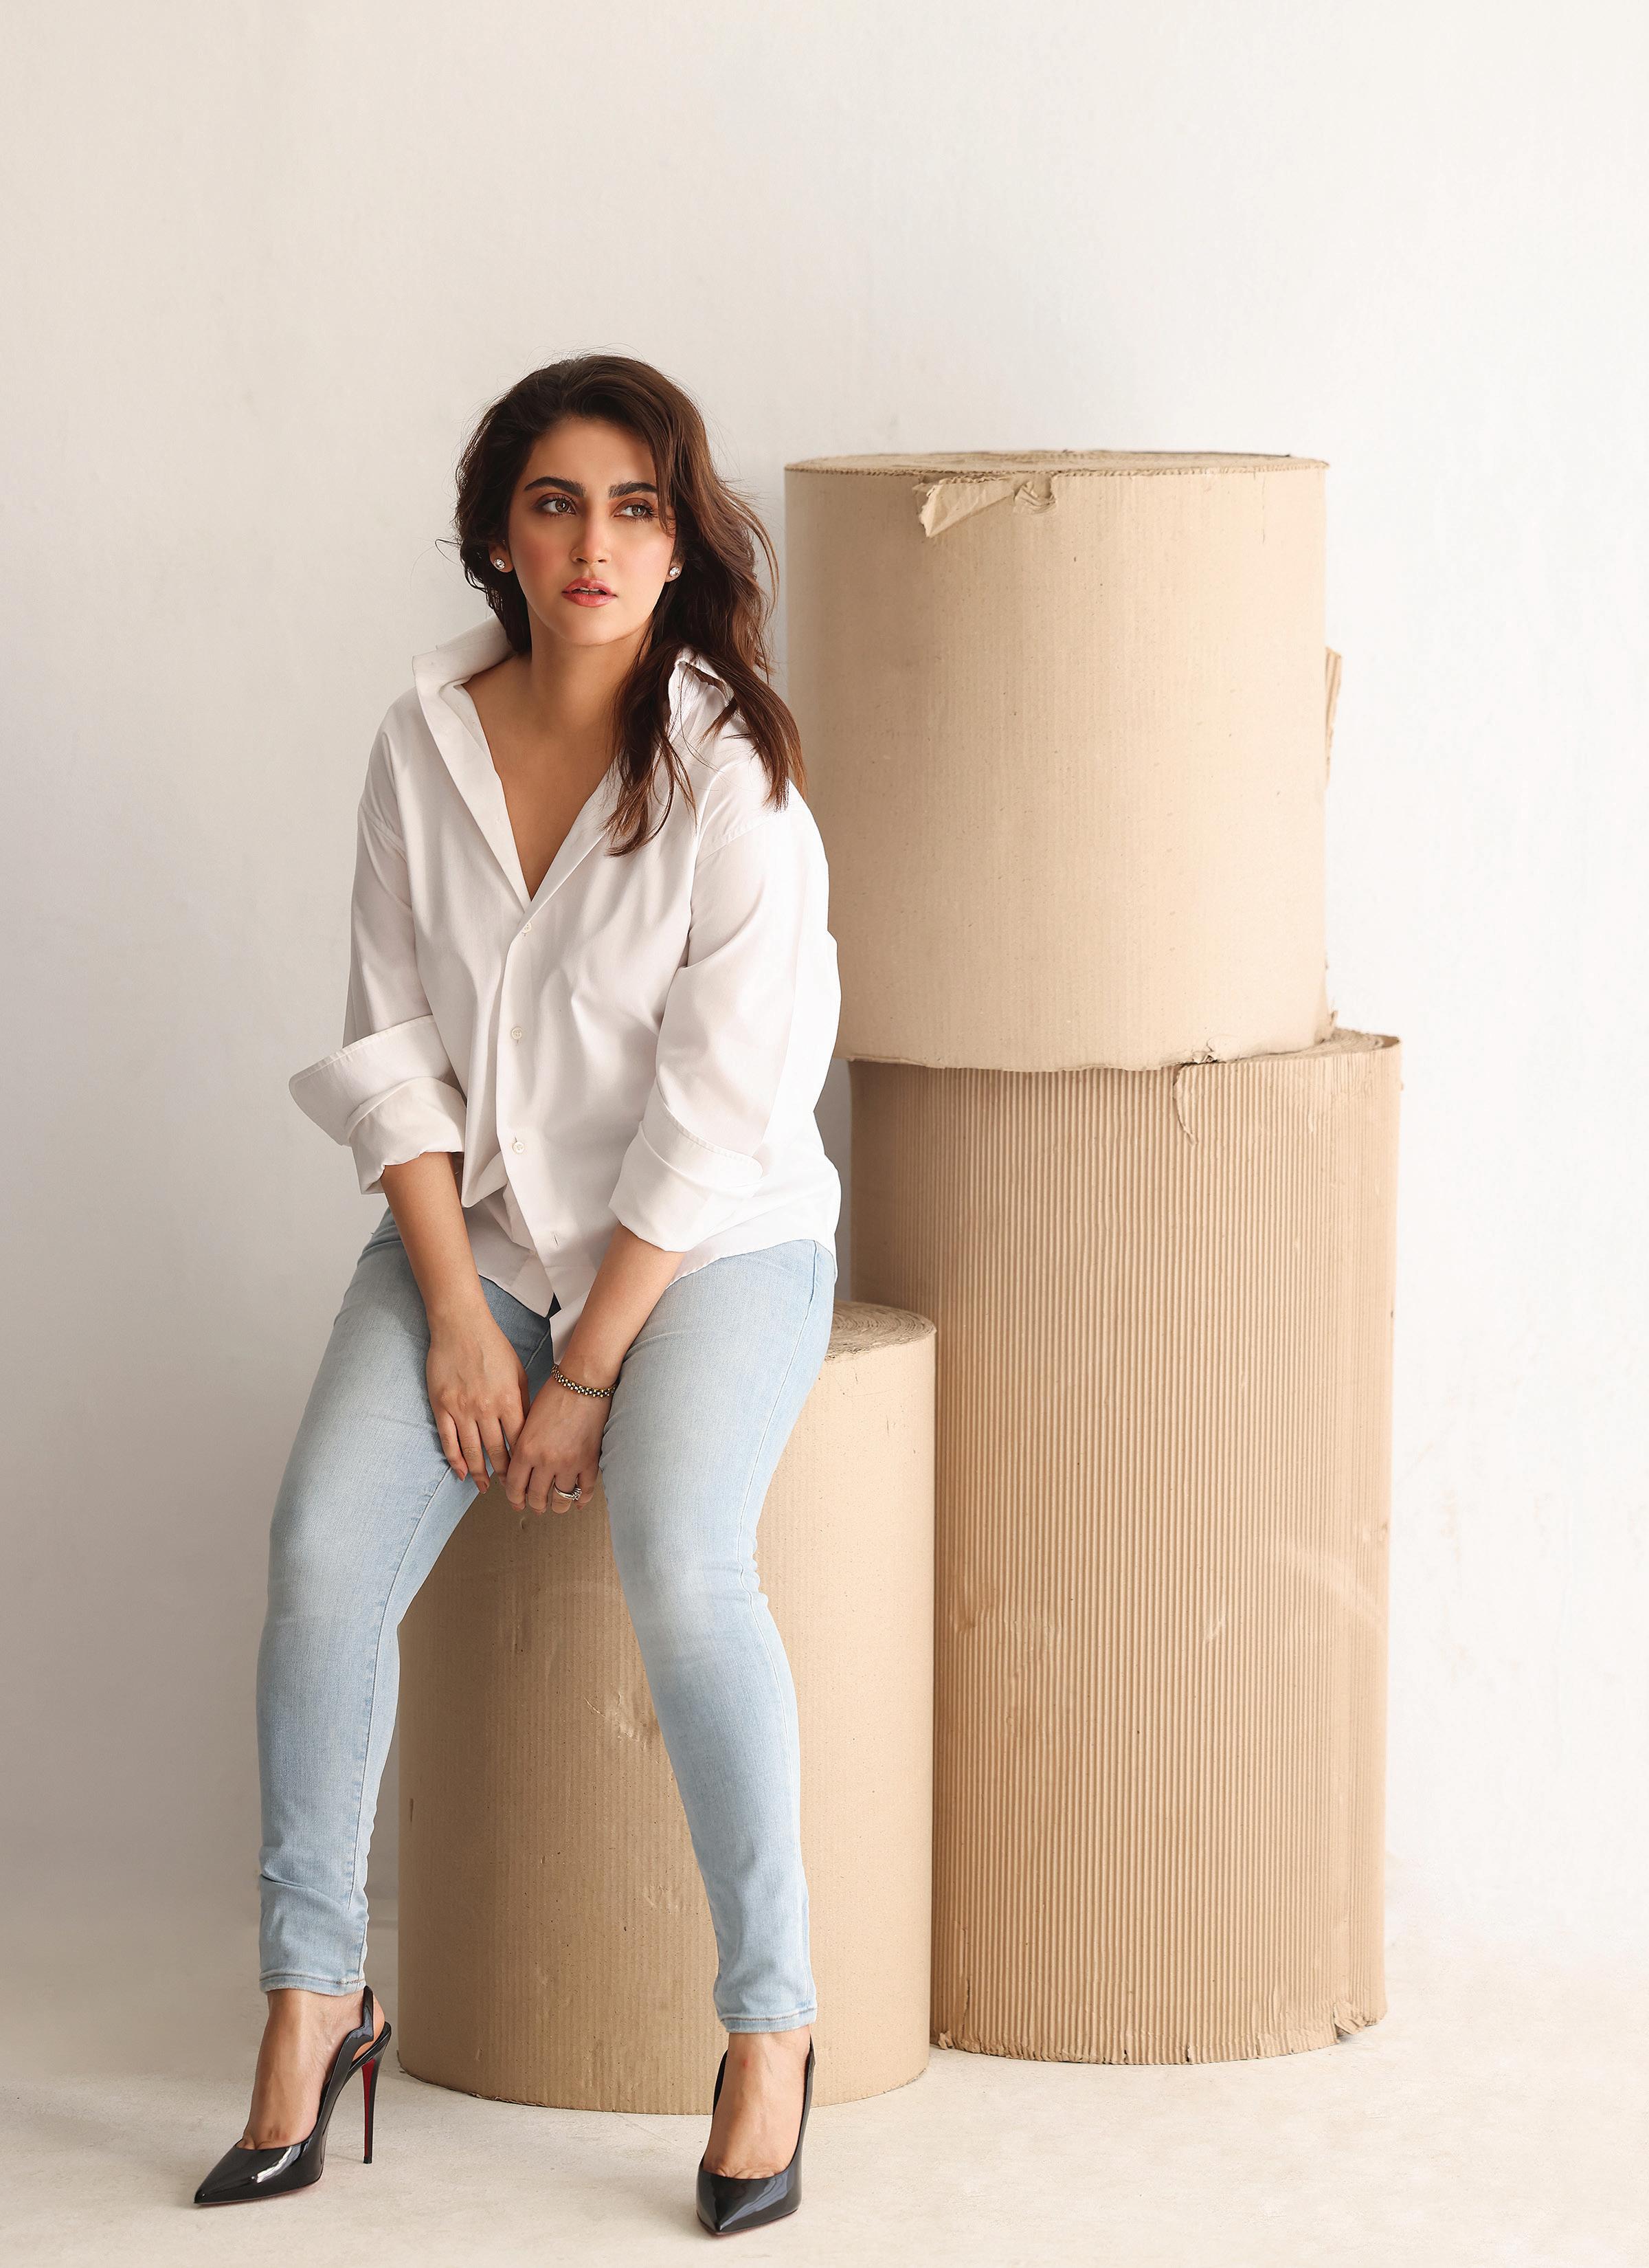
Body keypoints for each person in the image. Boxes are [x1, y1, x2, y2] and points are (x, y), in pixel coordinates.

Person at [192, 355, 841, 2236]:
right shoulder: (423, 741)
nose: (596, 543)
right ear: (499, 531)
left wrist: (586, 1372)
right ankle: (315, 2001)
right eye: (557, 502)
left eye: (637, 506)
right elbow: (390, 1046)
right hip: (479, 1240)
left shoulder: (736, 776)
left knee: (685, 1563)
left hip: (711, 1245)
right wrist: (467, 1319)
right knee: (321, 1555)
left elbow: (715, 1116)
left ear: (682, 539)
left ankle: (772, 2025)